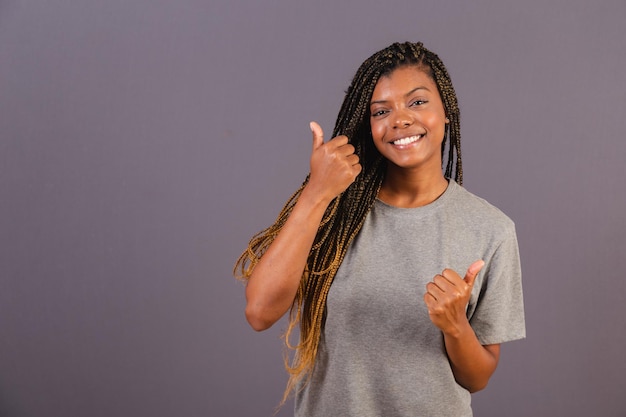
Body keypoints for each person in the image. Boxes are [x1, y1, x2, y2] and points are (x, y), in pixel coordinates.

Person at [234, 41, 525, 417]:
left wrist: (455, 326)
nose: (400, 119)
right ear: (368, 126)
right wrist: (315, 194)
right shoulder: (335, 209)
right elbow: (259, 312)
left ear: (447, 111)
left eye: (417, 102)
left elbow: (478, 378)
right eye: (381, 111)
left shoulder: (491, 230)